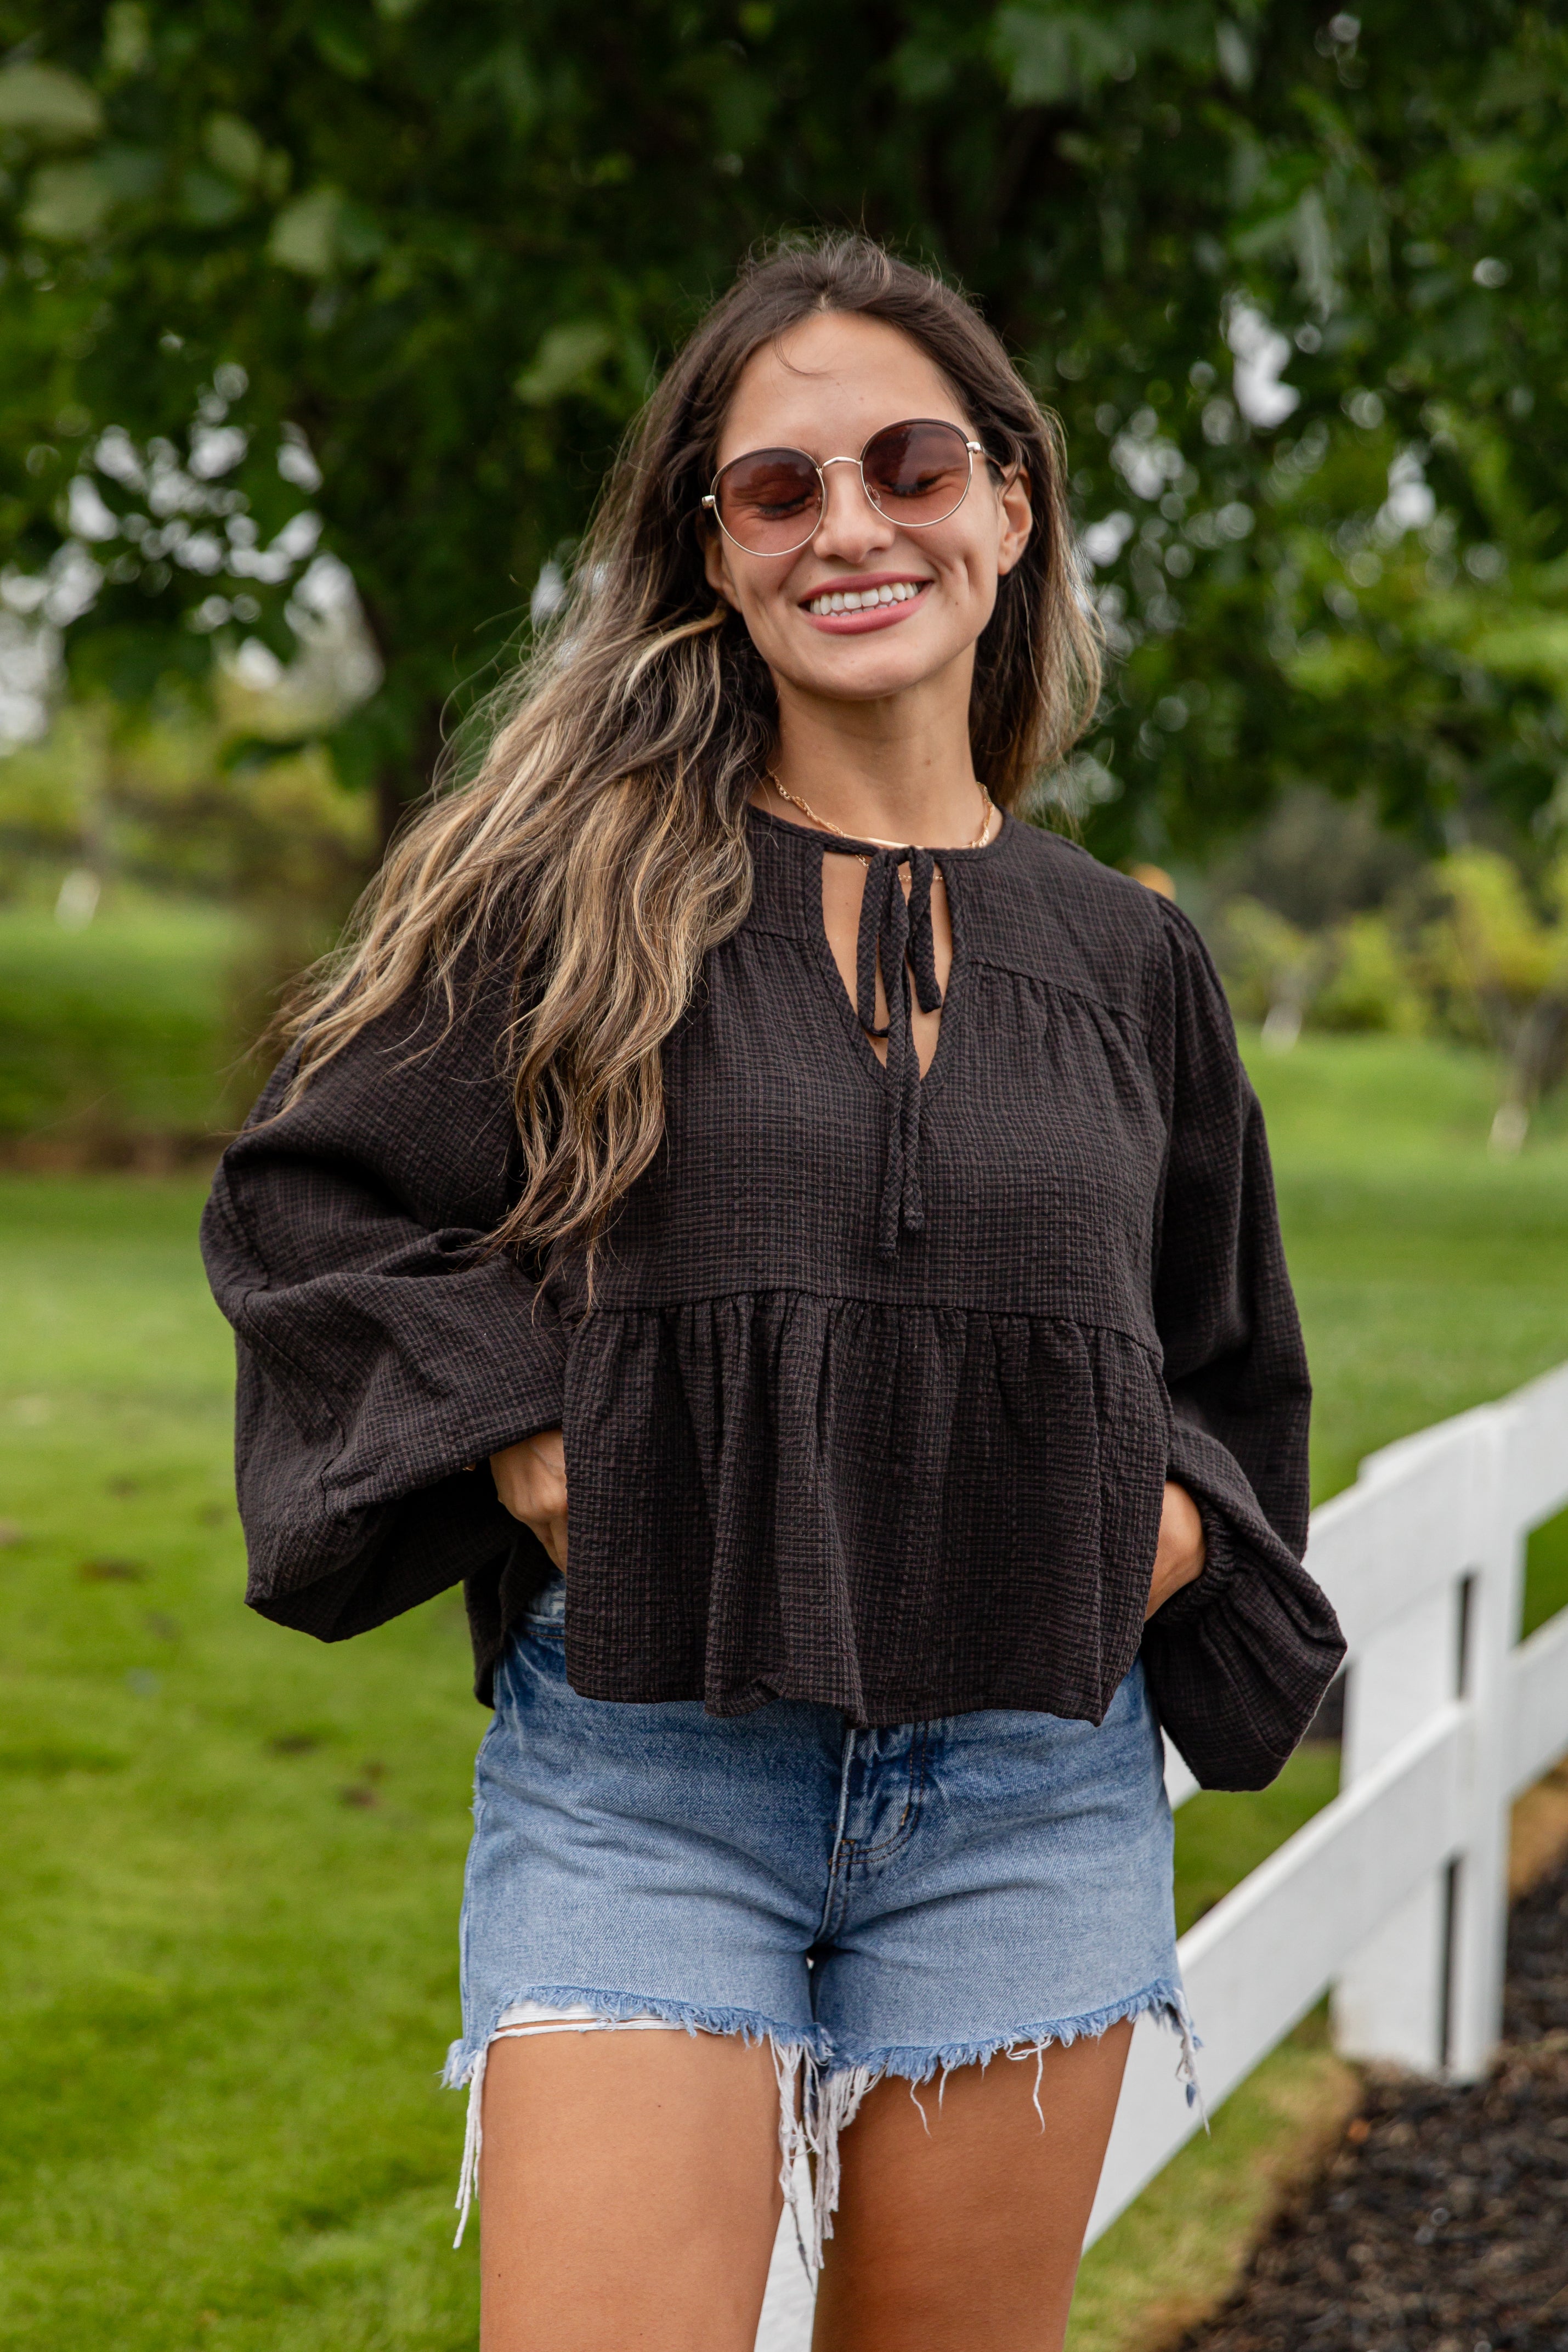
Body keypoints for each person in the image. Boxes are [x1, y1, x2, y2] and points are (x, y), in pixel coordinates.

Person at [201, 235, 1344, 2352]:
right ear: (711, 556)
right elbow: (312, 1208)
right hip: (647, 1768)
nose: (851, 524)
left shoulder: (1131, 962)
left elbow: (1213, 1358)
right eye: (776, 487)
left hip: (1029, 1783)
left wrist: (1171, 1530)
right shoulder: (571, 895)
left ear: (1009, 504)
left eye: (911, 463)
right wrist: (530, 1441)